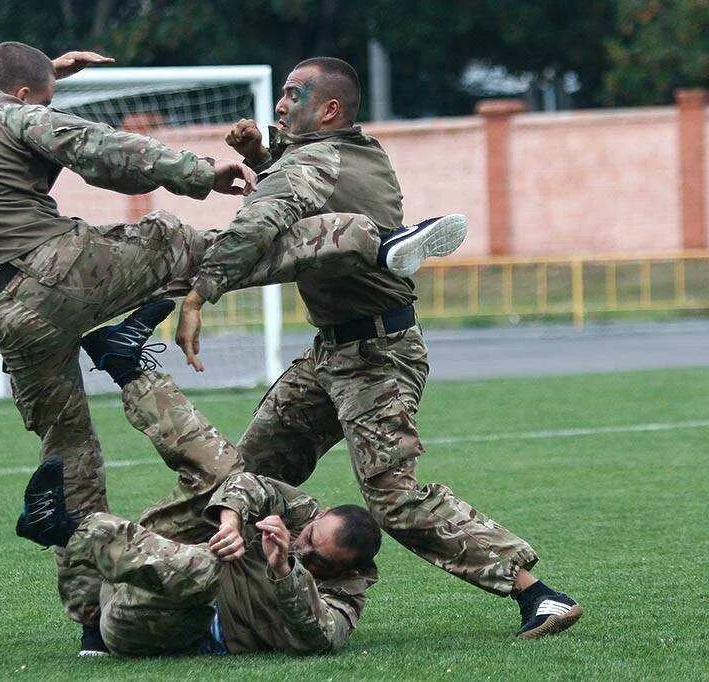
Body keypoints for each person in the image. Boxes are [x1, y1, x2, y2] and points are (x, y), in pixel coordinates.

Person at [0, 41, 467, 653]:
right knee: (181, 243)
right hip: (50, 272)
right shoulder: (15, 112)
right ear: (18, 97)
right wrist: (203, 174)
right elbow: (99, 149)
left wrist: (49, 73)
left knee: (66, 451)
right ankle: (370, 240)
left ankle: (92, 622)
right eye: (41, 97)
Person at [175, 57, 582, 639]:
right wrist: (264, 158)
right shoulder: (360, 153)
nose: (280, 104)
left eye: (293, 95)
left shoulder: (317, 160)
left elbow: (264, 218)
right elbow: (303, 188)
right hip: (332, 354)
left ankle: (536, 594)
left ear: (330, 109)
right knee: (248, 477)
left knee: (392, 499)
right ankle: (202, 600)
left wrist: (200, 291)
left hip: (376, 357)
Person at [15, 303, 382, 656]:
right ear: (321, 517)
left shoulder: (346, 593)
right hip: (145, 562)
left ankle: (63, 531)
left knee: (209, 570)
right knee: (225, 471)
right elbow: (252, 485)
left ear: (347, 569)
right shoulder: (306, 515)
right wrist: (232, 518)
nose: (303, 549)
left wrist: (284, 569)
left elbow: (322, 638)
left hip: (151, 622)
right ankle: (125, 367)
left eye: (319, 560)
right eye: (308, 539)